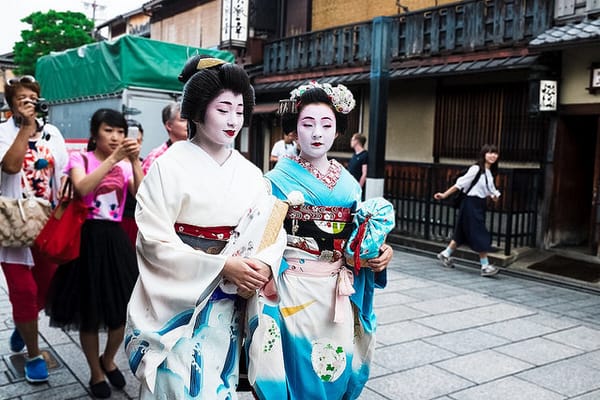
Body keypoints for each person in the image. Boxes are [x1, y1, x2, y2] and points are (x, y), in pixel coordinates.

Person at [125, 55, 286, 399]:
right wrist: (223, 264)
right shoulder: (167, 168)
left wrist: (264, 263)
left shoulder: (250, 173)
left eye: (240, 111)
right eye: (223, 109)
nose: (233, 120)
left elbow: (271, 227)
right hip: (182, 303)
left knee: (219, 382)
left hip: (227, 304)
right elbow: (153, 241)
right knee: (176, 385)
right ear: (197, 112)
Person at [248, 81, 394, 399]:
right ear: (294, 130)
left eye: (326, 125)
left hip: (336, 290)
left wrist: (379, 252)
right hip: (291, 289)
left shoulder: (349, 184)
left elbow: (359, 237)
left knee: (334, 367)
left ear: (337, 130)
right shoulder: (273, 181)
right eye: (308, 124)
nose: (317, 133)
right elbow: (260, 239)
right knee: (297, 368)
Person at [45, 108, 143, 398]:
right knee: (88, 312)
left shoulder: (126, 165)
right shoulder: (81, 159)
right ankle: (95, 371)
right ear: (94, 133)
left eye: (120, 132)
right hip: (85, 238)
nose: (115, 137)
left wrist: (134, 160)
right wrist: (114, 159)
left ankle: (108, 359)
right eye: (109, 130)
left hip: (115, 240)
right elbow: (83, 187)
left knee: (123, 311)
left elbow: (141, 195)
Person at [0, 75, 68, 383]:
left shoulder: (52, 133)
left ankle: (22, 323)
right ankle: (33, 354)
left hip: (46, 225)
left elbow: (65, 173)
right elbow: (10, 167)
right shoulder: (3, 132)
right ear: (11, 104)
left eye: (31, 97)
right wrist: (25, 127)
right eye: (20, 99)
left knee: (45, 289)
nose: (27, 102)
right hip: (13, 226)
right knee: (23, 292)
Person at [433, 144, 501, 277]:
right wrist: (444, 195)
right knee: (479, 233)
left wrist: (494, 196)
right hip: (470, 203)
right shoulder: (475, 169)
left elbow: (492, 192)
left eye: (495, 153)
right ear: (483, 154)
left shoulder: (489, 173)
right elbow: (460, 184)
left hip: (479, 205)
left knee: (462, 233)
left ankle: (445, 254)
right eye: (490, 153)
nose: (493, 156)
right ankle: (485, 266)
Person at [141, 102, 188, 174]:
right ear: (169, 125)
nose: (188, 124)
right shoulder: (157, 156)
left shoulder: (198, 152)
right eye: (182, 120)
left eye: (190, 120)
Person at [121, 120, 144, 247]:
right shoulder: (111, 163)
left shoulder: (145, 163)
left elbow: (141, 194)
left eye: (139, 141)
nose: (136, 144)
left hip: (137, 222)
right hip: (121, 221)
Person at [347, 132, 368, 198]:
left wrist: (359, 188)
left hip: (357, 189)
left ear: (357, 141)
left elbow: (364, 173)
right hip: (350, 187)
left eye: (352, 140)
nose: (351, 141)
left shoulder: (365, 155)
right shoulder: (354, 155)